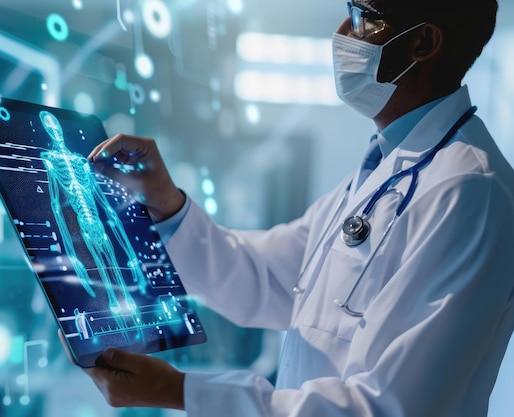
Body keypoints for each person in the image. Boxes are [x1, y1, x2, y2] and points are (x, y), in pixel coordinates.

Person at [65, 0, 514, 415]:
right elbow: (262, 278)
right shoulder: (383, 171)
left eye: (362, 16)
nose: (341, 31)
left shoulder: (469, 191)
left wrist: (179, 391)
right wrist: (166, 203)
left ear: (423, 43)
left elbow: (386, 407)